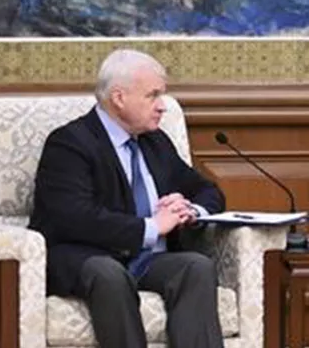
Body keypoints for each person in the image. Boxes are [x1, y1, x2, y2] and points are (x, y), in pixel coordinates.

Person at [30, 48, 226, 347]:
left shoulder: (155, 142)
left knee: (195, 267)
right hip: (89, 257)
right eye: (153, 95)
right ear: (119, 98)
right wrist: (152, 227)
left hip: (148, 260)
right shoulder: (70, 143)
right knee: (108, 273)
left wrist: (190, 210)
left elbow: (208, 190)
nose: (162, 106)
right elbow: (74, 217)